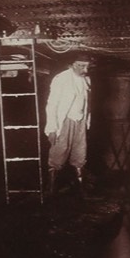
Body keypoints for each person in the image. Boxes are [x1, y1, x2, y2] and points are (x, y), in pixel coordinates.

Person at [44, 52, 92, 194]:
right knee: (58, 152)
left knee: (80, 154)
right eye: (82, 66)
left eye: (87, 66)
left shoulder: (87, 80)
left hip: (80, 120)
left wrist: (86, 121)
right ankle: (51, 187)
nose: (86, 70)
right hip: (64, 120)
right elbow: (52, 104)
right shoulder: (61, 79)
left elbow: (87, 102)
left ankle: (81, 188)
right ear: (73, 65)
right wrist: (52, 127)